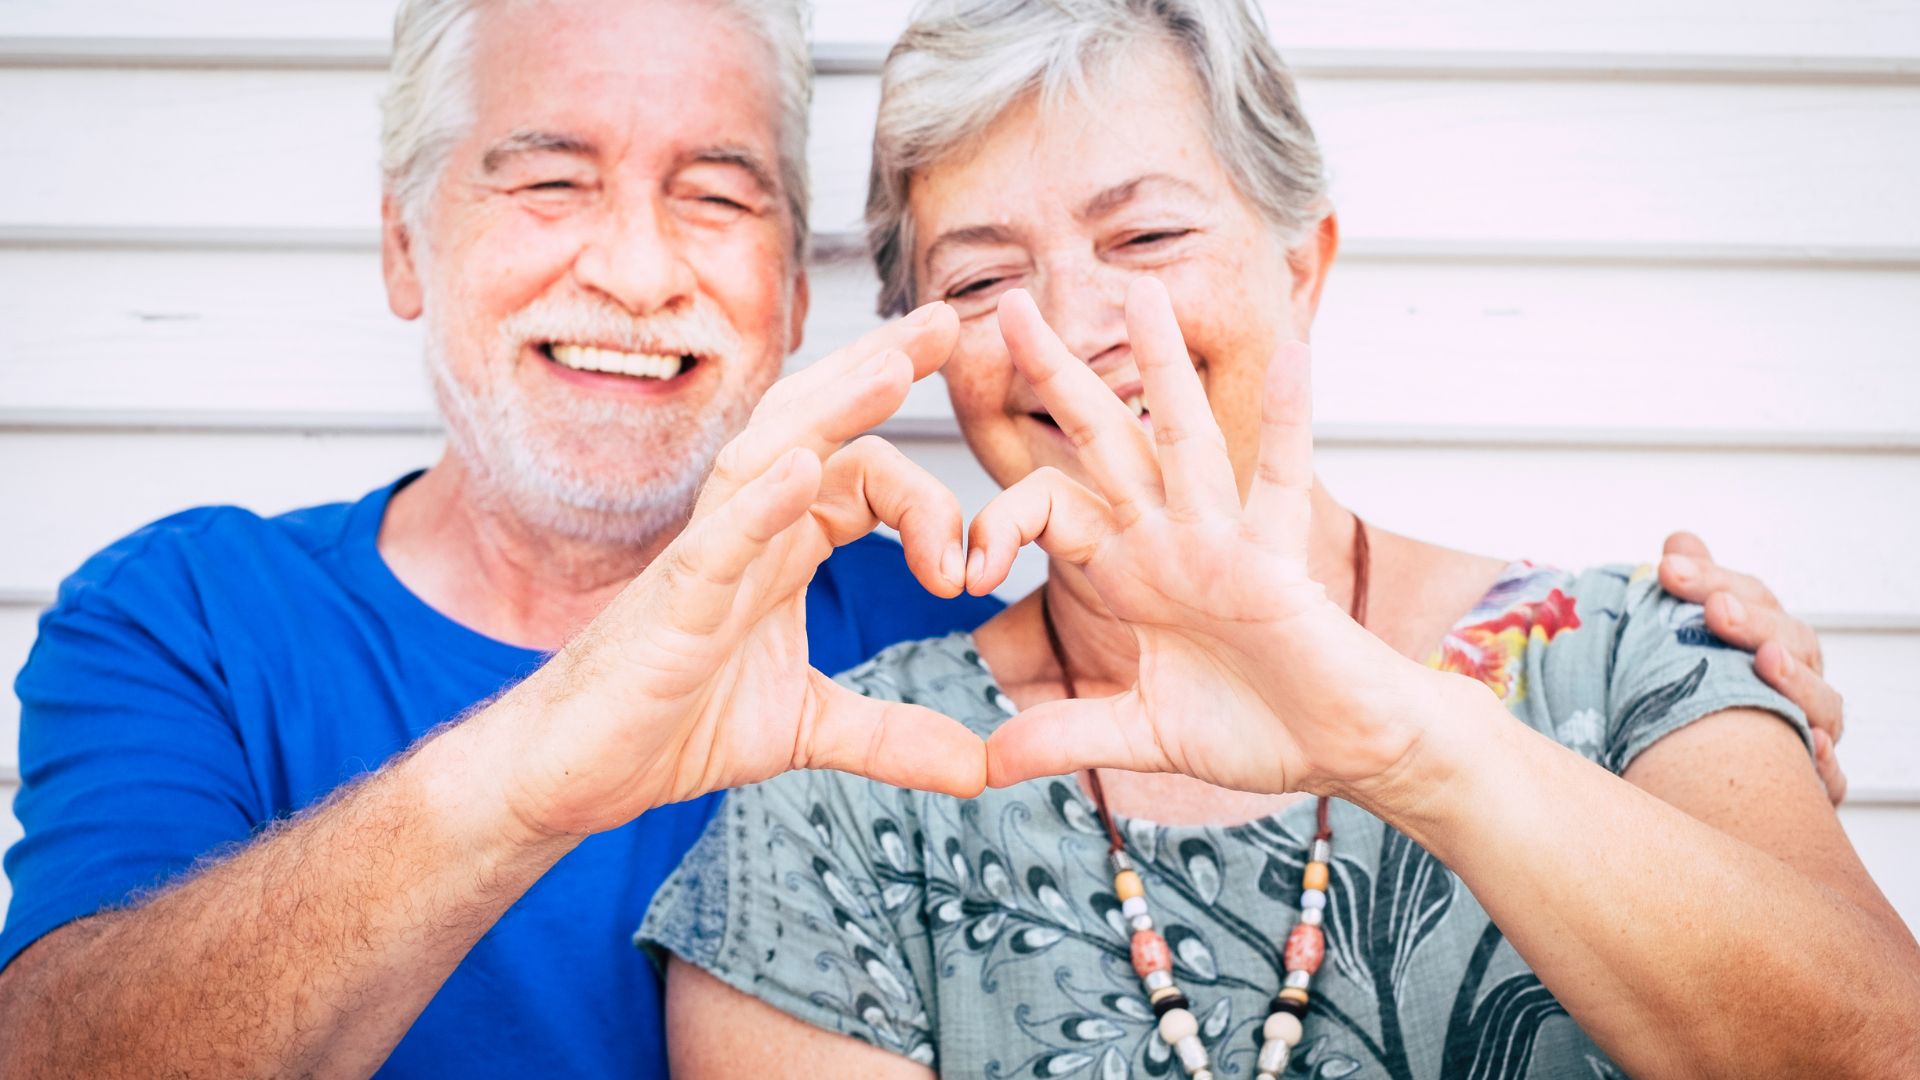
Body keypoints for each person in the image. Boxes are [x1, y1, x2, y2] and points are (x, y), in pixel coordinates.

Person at [0, 0, 1847, 1076]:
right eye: (545, 175)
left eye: (714, 193)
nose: (635, 266)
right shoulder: (192, 620)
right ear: (406, 243)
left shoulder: (949, 629)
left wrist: (1690, 697)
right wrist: (543, 766)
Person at [641, 1, 1920, 1077]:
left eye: (1144, 236)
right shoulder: (848, 790)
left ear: (1301, 264)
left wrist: (1403, 741)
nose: (1074, 325)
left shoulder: (1638, 654)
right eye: (981, 281)